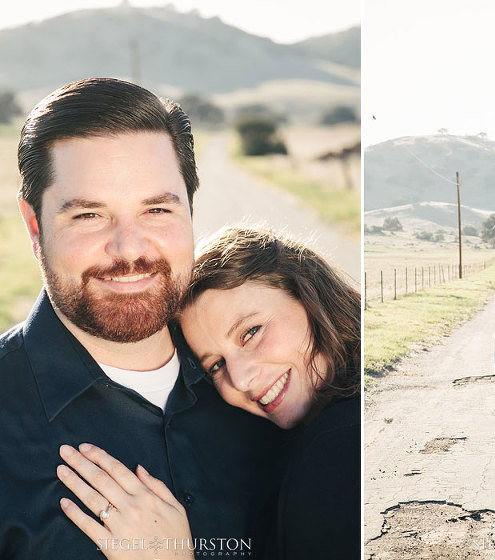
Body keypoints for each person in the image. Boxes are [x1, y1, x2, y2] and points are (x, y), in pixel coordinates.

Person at [0, 78, 285, 559]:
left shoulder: (272, 384)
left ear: (191, 210)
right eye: (89, 215)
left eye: (156, 209)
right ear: (35, 226)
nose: (128, 249)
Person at [56, 226, 362, 559]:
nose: (242, 380)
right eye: (216, 365)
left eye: (251, 333)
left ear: (308, 295)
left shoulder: (338, 449)